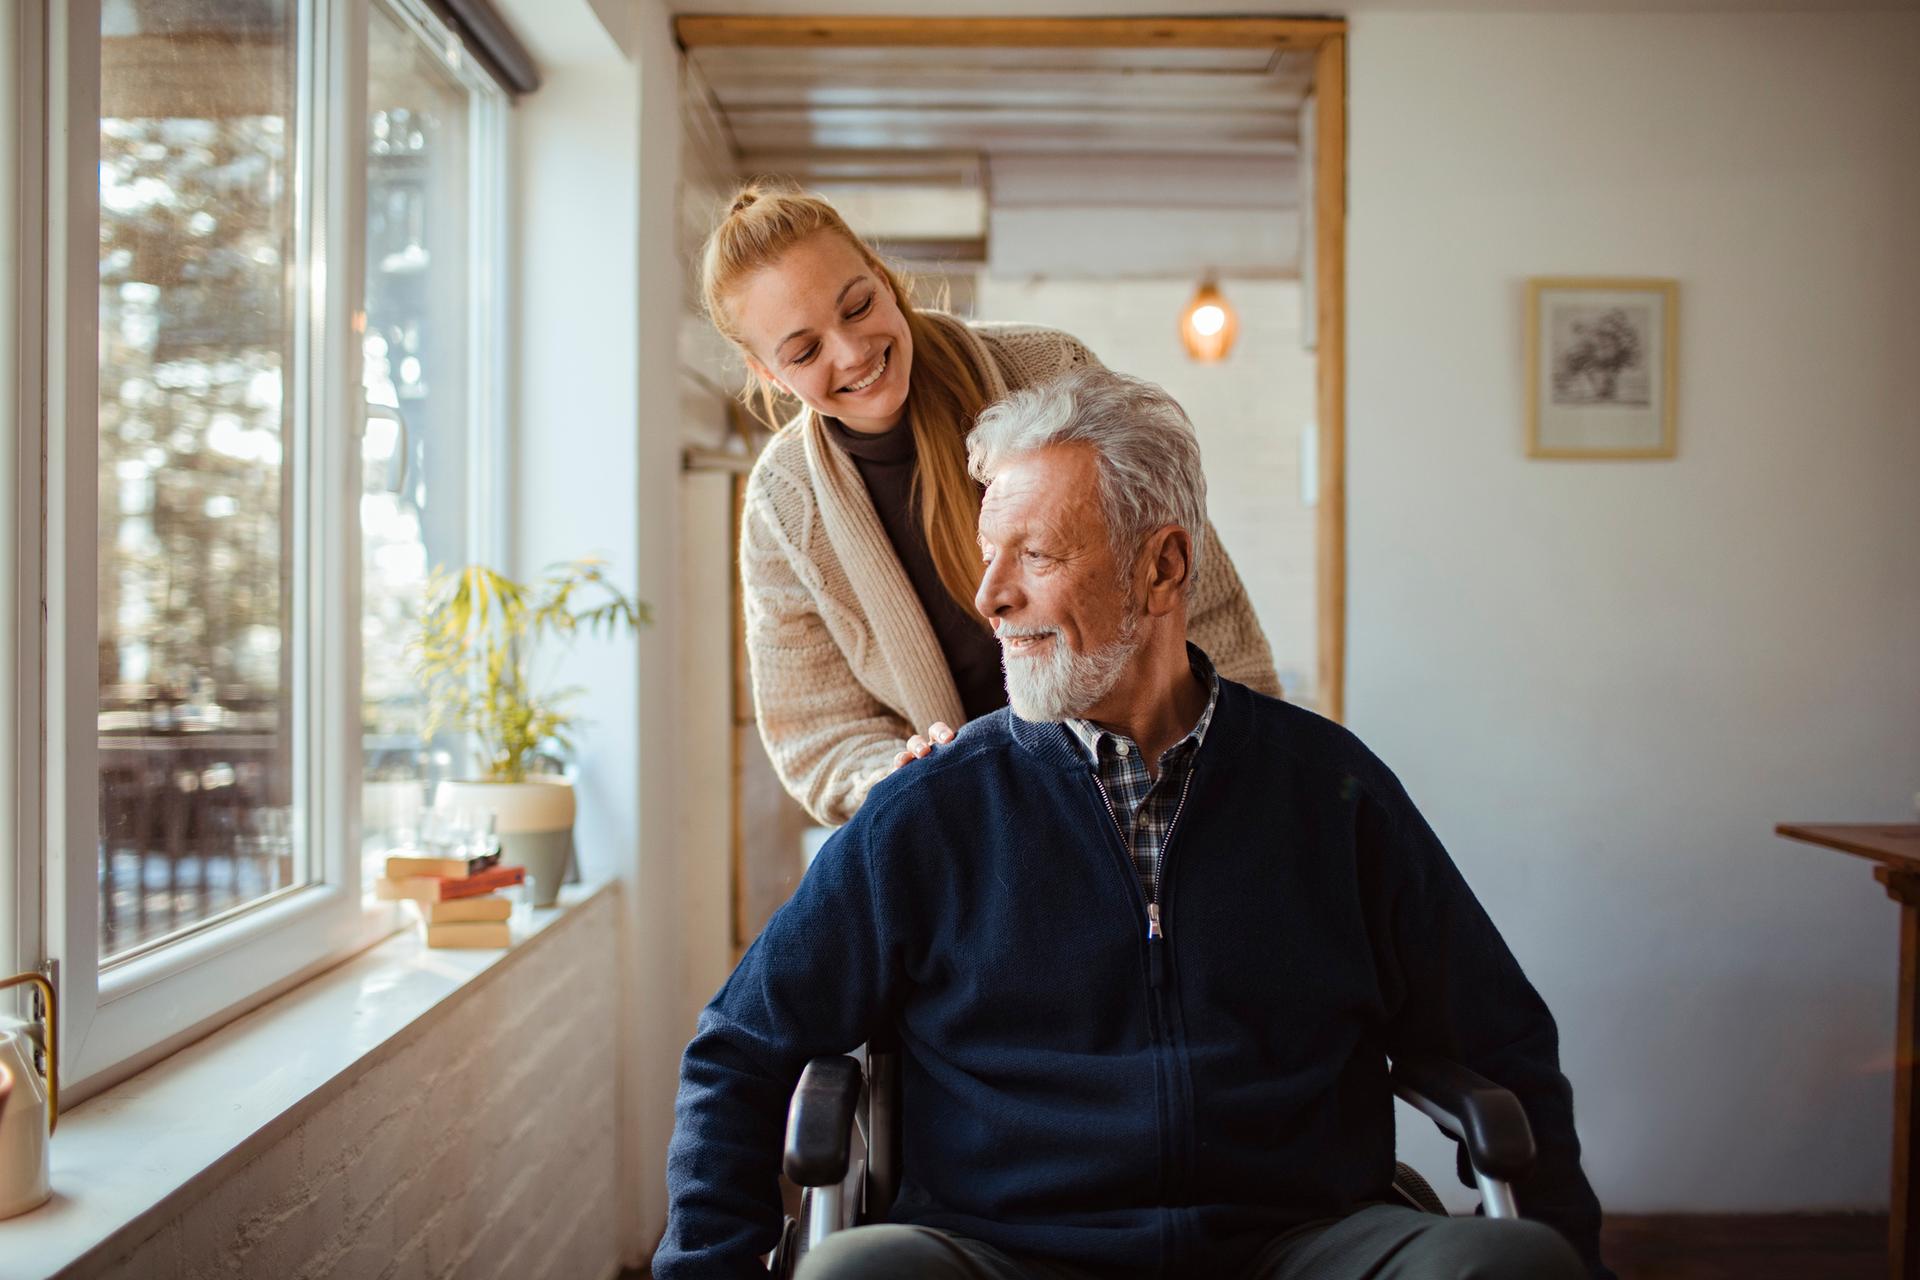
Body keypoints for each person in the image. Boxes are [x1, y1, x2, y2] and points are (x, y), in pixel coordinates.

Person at [655, 367, 1613, 1280]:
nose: (989, 596)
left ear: (1162, 567)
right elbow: (739, 1049)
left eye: (1034, 555)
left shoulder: (1330, 791)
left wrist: (1571, 1245)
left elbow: (1502, 1040)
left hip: (1300, 1242)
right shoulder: (935, 809)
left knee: (1515, 1266)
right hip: (1002, 1249)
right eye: (989, 558)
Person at [701, 183, 1279, 826]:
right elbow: (818, 731)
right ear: (769, 374)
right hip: (975, 831)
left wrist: (1247, 764)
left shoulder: (1051, 368)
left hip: (1155, 785)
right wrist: (895, 774)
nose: (852, 351)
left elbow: (1196, 592)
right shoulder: (782, 507)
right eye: (804, 351)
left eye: (858, 306)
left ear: (884, 277)